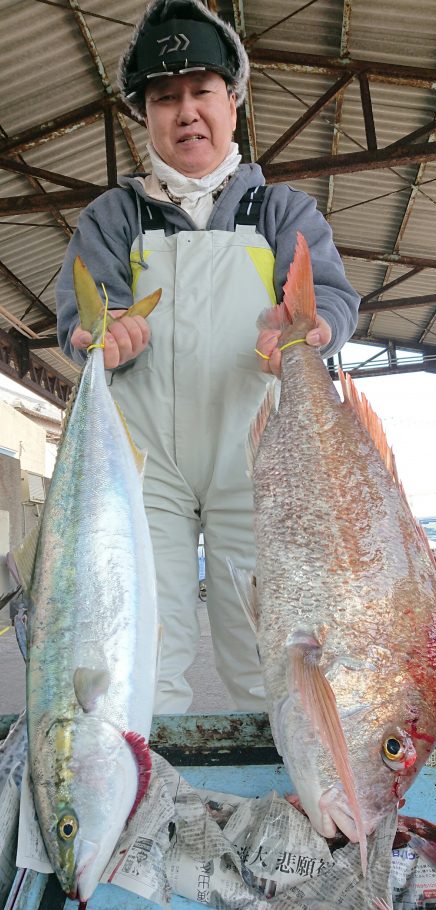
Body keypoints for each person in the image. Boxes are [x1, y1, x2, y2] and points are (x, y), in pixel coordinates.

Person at [56, 0, 360, 715]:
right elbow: (84, 316)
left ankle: (284, 804)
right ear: (145, 116)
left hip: (256, 458)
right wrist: (107, 333)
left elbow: (334, 302)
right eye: (165, 98)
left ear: (234, 101)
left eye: (202, 92)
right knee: (139, 644)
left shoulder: (282, 214)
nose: (185, 111)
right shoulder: (113, 217)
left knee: (270, 643)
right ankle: (141, 804)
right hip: (145, 468)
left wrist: (313, 330)